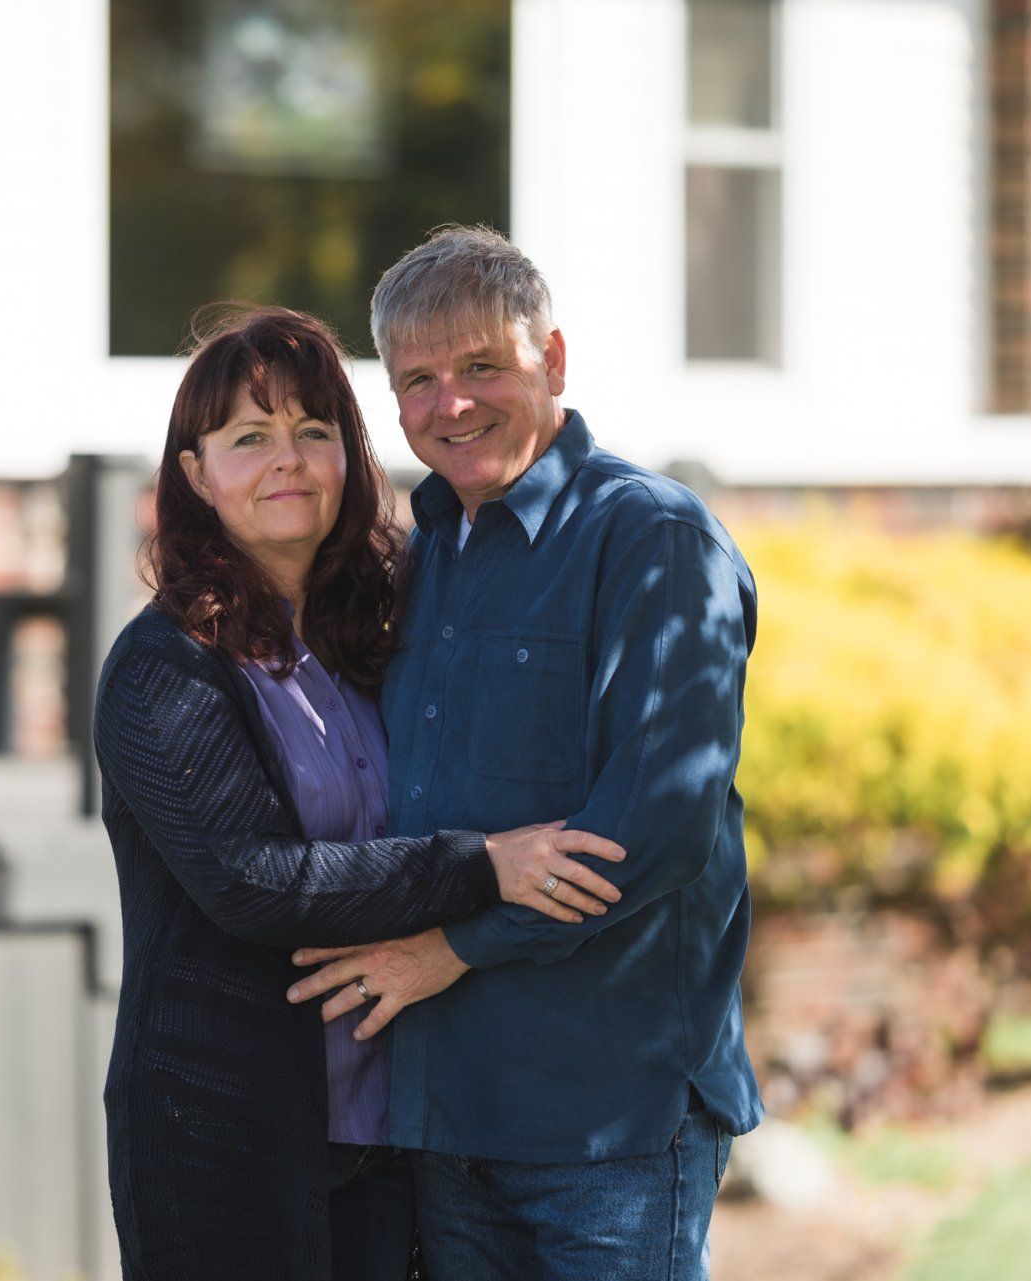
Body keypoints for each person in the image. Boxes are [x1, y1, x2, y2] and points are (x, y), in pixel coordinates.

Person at [91, 306, 628, 1281]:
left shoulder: (376, 642)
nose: (286, 460)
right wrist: (485, 867)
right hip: (225, 1133)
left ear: (350, 452)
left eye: (313, 430)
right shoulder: (164, 669)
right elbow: (254, 882)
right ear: (196, 475)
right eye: (249, 439)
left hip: (388, 1135)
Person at [286, 227, 762, 1279]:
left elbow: (655, 826)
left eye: (482, 367)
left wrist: (447, 952)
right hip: (449, 1115)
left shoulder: (653, 543)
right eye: (418, 379)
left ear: (553, 361)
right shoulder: (422, 559)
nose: (450, 404)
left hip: (608, 1113)